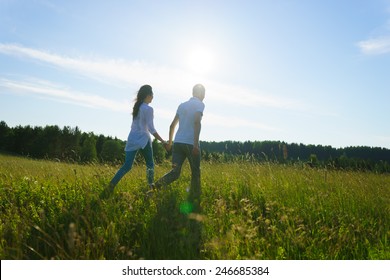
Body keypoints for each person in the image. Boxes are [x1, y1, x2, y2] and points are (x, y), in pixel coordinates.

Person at [103, 85, 167, 196]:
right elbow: (151, 129)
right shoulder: (148, 109)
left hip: (132, 138)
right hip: (143, 139)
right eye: (152, 95)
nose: (153, 98)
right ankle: (150, 189)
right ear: (148, 95)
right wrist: (163, 141)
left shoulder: (137, 106)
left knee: (127, 166)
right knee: (150, 165)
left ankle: (110, 186)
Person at [155, 84, 205, 212]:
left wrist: (170, 143)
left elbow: (172, 125)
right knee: (195, 173)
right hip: (190, 143)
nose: (204, 97)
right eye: (204, 94)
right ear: (200, 94)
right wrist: (195, 145)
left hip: (177, 143)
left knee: (175, 173)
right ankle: (195, 201)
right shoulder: (199, 104)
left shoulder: (182, 105)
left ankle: (155, 187)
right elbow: (197, 122)